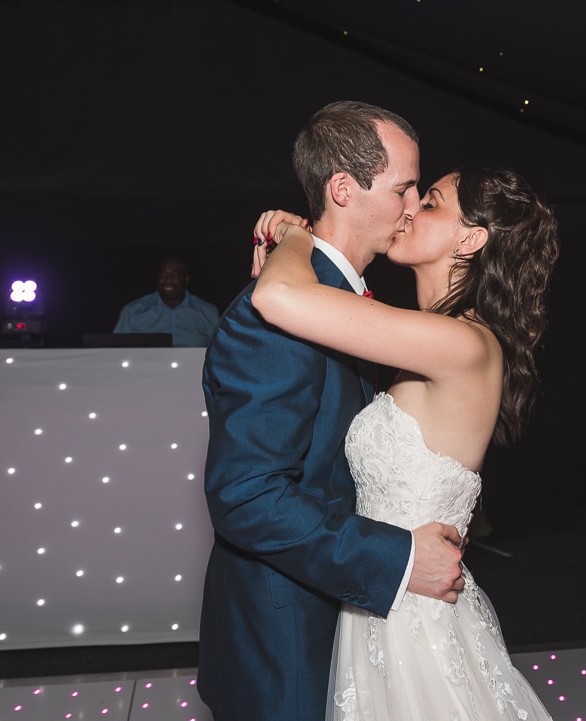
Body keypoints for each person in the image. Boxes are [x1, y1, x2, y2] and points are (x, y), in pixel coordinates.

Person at [251, 166, 560, 720]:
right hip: (383, 598)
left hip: (412, 623)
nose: (411, 208)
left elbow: (277, 296)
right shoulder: (435, 339)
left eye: (434, 203)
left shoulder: (460, 341)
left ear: (471, 239)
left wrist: (298, 236)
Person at [198, 101, 467, 721]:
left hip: (345, 616)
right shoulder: (281, 312)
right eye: (404, 187)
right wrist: (397, 558)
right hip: (285, 638)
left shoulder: (336, 303)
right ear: (343, 188)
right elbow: (246, 496)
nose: (413, 204)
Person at [113, 255, 220, 346]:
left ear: (186, 279)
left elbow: (220, 351)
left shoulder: (208, 312)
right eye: (163, 275)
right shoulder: (133, 311)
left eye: (175, 275)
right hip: (146, 369)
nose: (168, 280)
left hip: (192, 369)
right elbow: (116, 349)